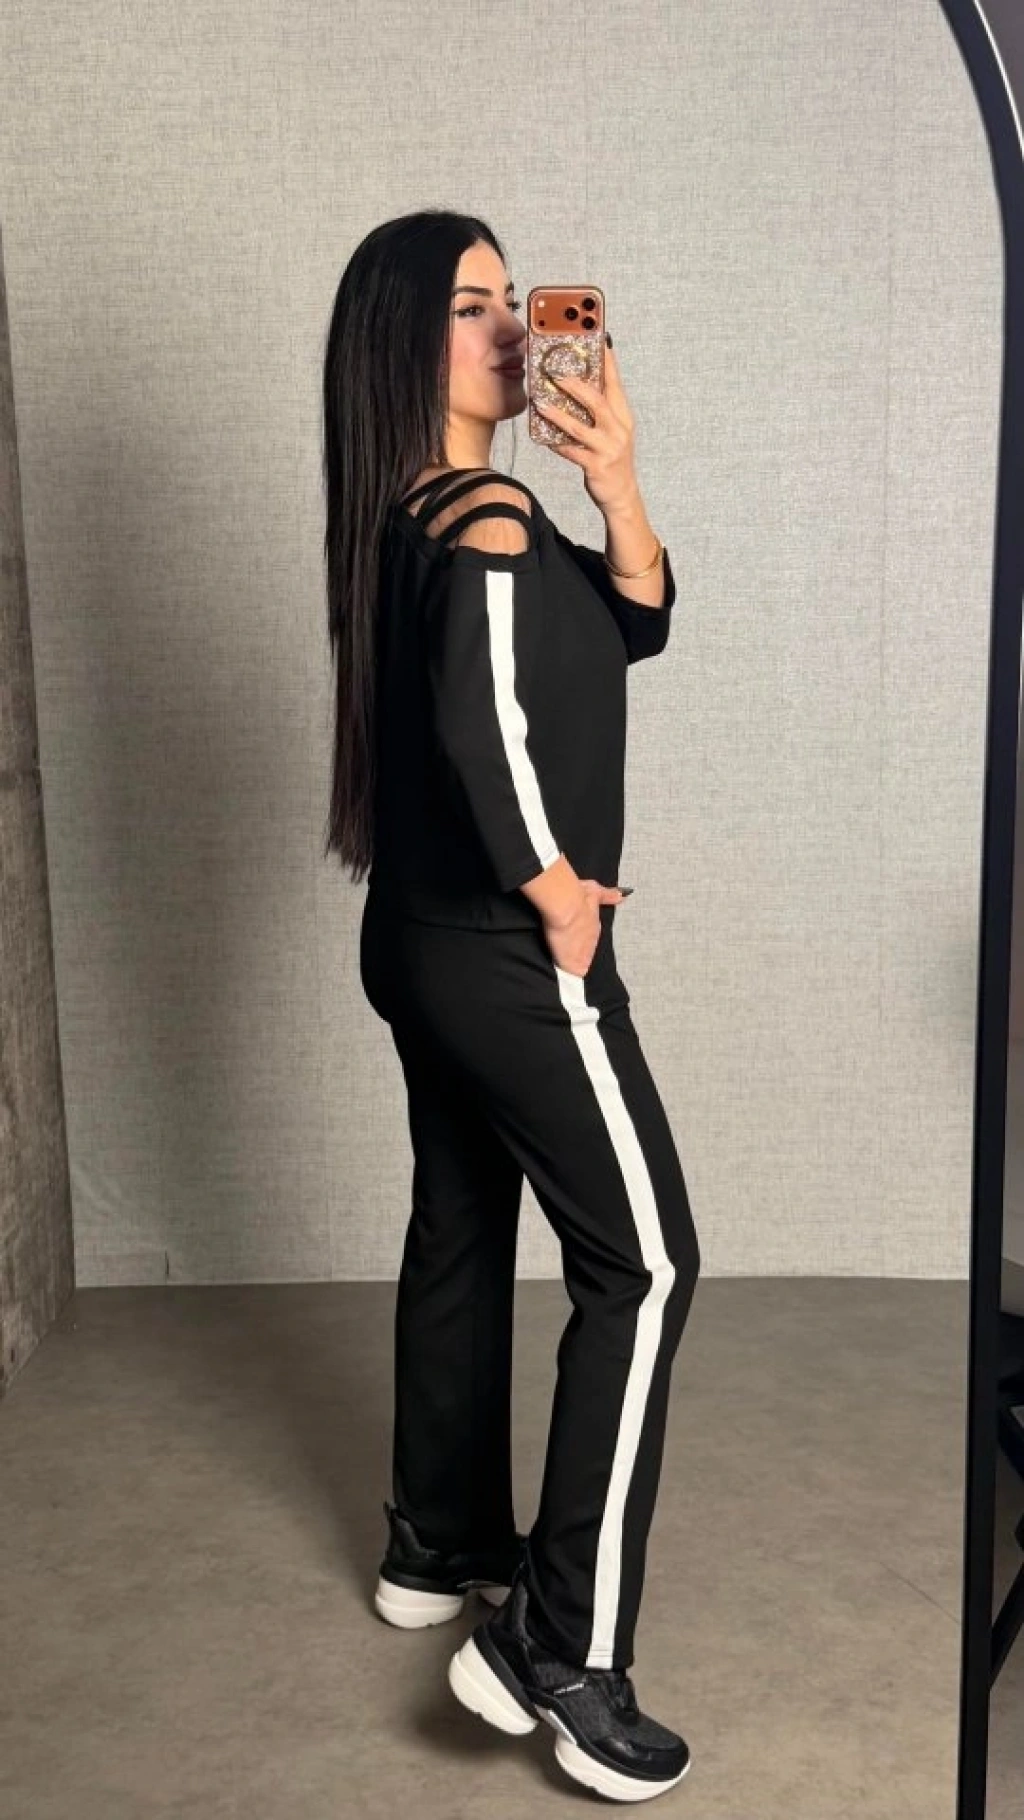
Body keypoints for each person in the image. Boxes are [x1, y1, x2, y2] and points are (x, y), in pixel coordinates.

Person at [322, 209, 701, 1804]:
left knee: (465, 1221)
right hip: (497, 946)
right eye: (469, 306)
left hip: (416, 940)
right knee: (650, 1264)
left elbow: (634, 626)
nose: (504, 330)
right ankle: (559, 1642)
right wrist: (558, 896)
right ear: (404, 341)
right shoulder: (480, 518)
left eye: (508, 301)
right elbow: (487, 735)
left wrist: (618, 484)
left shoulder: (427, 509)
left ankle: (437, 1545)